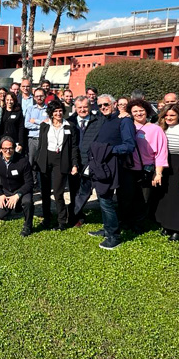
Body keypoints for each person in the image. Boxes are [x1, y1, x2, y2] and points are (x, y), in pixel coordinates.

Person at [86, 94, 135, 250]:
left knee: (106, 200)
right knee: (102, 198)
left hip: (113, 166)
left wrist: (108, 150)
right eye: (100, 106)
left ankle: (114, 236)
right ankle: (108, 230)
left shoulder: (124, 121)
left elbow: (129, 146)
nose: (103, 108)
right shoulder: (104, 120)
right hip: (100, 165)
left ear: (114, 104)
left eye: (106, 104)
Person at [118, 98, 168, 234]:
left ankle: (138, 223)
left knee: (144, 199)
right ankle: (125, 221)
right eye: (135, 111)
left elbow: (161, 153)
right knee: (126, 197)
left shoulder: (156, 129)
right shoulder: (126, 127)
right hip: (128, 169)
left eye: (141, 111)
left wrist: (158, 173)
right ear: (130, 113)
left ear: (147, 112)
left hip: (147, 169)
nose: (139, 113)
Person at [150, 104, 179, 241]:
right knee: (165, 195)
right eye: (166, 115)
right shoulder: (161, 129)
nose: (169, 118)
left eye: (172, 115)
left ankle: (178, 228)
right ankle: (166, 224)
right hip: (164, 163)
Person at [35, 100, 79, 230]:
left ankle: (61, 222)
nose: (58, 113)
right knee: (45, 192)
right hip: (46, 159)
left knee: (58, 193)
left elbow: (74, 147)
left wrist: (74, 164)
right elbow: (41, 145)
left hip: (61, 161)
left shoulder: (69, 126)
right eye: (55, 111)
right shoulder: (44, 126)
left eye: (60, 111)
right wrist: (37, 161)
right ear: (51, 113)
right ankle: (47, 218)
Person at [67, 95, 104, 227]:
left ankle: (72, 213)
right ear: (75, 108)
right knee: (74, 190)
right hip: (74, 161)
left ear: (90, 107)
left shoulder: (99, 121)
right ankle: (77, 216)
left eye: (85, 107)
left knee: (86, 190)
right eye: (79, 107)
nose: (82, 110)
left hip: (91, 161)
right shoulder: (69, 122)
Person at [0, 136, 35, 235]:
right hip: (6, 190)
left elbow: (29, 183)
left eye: (10, 148)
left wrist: (17, 195)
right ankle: (16, 206)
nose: (8, 151)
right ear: (0, 149)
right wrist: (0, 195)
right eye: (5, 148)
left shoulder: (23, 161)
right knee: (0, 215)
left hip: (21, 190)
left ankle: (28, 226)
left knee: (27, 202)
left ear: (14, 148)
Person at [24, 88, 48, 169]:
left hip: (45, 140)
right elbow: (26, 124)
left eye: (41, 96)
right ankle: (32, 181)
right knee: (31, 162)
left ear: (45, 96)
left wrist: (35, 121)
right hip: (32, 139)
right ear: (34, 97)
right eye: (37, 96)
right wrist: (41, 125)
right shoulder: (30, 109)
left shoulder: (49, 109)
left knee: (43, 162)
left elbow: (49, 124)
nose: (39, 98)